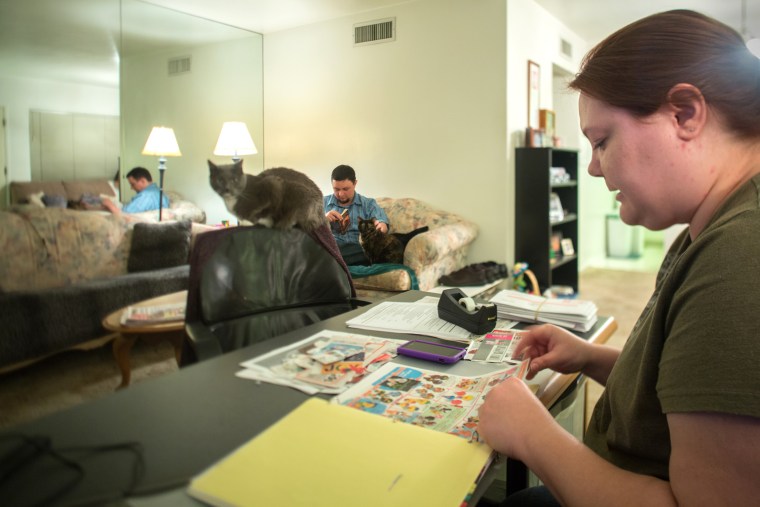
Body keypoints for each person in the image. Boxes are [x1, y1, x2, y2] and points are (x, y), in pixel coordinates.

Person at [477, 10, 760, 506]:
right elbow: (679, 390)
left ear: (685, 115)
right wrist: (589, 356)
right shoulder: (714, 226)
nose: (590, 166)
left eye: (602, 140)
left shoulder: (740, 258)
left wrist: (533, 435)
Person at [323, 164, 390, 265]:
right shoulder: (321, 203)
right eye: (336, 189)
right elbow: (306, 230)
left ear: (355, 183)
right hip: (333, 246)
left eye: (345, 189)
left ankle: (331, 262)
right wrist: (322, 220)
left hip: (358, 249)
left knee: (369, 249)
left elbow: (381, 223)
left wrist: (380, 226)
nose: (341, 194)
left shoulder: (368, 204)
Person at [102, 166, 169, 215]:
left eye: (133, 184)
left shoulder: (146, 196)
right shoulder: (158, 192)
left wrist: (109, 204)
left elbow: (124, 215)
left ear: (143, 181)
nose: (131, 188)